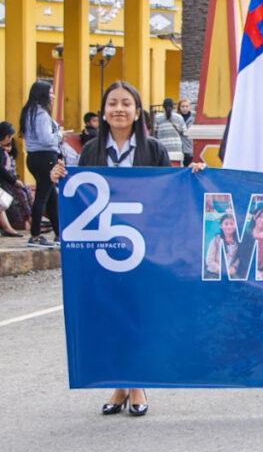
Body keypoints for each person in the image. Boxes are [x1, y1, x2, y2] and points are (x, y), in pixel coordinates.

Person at [50, 80, 206, 417]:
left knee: (139, 313)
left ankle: (136, 385)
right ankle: (119, 383)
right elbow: (79, 194)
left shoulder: (153, 149)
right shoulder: (91, 151)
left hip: (144, 247)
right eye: (112, 104)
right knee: (110, 314)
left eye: (126, 103)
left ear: (137, 112)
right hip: (103, 249)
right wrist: (60, 176)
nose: (119, 109)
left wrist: (192, 175)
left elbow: (171, 189)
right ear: (104, 112)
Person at [19, 80, 68, 247]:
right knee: (42, 196)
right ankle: (35, 235)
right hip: (45, 157)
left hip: (34, 157)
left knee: (51, 197)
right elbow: (46, 139)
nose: (53, 96)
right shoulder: (40, 114)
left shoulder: (28, 112)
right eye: (51, 92)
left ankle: (59, 234)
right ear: (43, 95)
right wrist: (61, 135)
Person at [1, 121, 32, 235]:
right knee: (21, 194)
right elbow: (2, 171)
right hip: (5, 182)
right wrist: (14, 181)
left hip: (7, 180)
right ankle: (13, 226)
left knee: (25, 192)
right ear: (6, 137)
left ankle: (31, 219)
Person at [238, 206, 263, 281]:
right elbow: (242, 256)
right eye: (260, 217)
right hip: (248, 269)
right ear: (255, 217)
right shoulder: (246, 235)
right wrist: (253, 270)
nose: (262, 220)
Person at [205, 214, 240, 280]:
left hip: (229, 273)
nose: (229, 226)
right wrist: (223, 270)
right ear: (221, 226)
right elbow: (209, 261)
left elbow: (239, 257)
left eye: (232, 224)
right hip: (214, 273)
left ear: (235, 226)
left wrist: (234, 266)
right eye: (226, 224)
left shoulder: (238, 241)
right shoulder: (216, 240)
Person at [177, 98, 195, 166]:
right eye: (183, 106)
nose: (185, 108)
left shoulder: (193, 118)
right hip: (179, 145)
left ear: (189, 107)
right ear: (179, 107)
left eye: (186, 106)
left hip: (189, 145)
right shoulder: (176, 117)